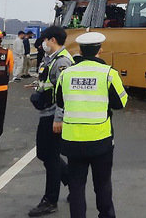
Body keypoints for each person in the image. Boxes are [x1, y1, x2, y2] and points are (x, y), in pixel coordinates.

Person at [54, 32, 127, 218]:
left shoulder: (66, 74)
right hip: (100, 140)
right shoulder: (109, 74)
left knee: (76, 187)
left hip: (72, 141)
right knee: (102, 185)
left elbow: (60, 102)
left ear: (79, 50)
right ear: (100, 50)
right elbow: (121, 103)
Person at [28, 26, 73, 217]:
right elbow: (50, 84)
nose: (43, 44)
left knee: (51, 157)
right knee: (44, 154)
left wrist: (59, 118)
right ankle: (73, 180)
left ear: (52, 40)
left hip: (53, 117)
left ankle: (50, 200)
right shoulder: (51, 59)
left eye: (45, 40)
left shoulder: (62, 62)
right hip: (46, 114)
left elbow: (66, 93)